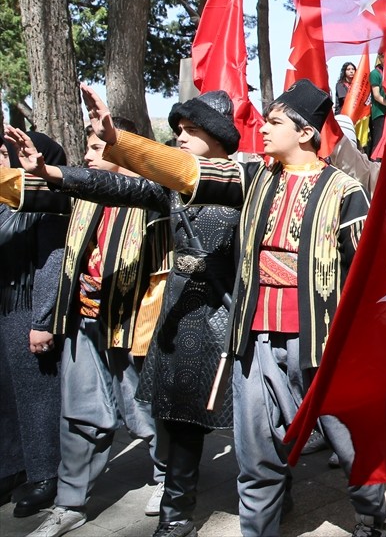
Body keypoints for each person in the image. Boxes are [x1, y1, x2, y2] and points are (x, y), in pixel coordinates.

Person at [83, 80, 386, 537]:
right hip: (254, 344)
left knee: (351, 447)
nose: (263, 130)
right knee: (256, 457)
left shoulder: (346, 191)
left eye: (274, 122)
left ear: (306, 132)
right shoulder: (252, 179)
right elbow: (188, 171)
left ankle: (374, 519)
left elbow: (367, 275)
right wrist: (118, 141)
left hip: (321, 346)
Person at [10, 91, 243, 537]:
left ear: (215, 136)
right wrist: (49, 172)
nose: (179, 139)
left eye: (189, 132)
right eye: (175, 132)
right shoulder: (167, 190)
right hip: (186, 319)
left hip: (232, 316)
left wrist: (118, 139)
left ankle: (278, 489)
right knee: (180, 421)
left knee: (258, 426)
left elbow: (179, 176)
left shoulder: (245, 177)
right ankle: (176, 517)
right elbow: (116, 185)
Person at [0, 118, 170, 537]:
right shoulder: (79, 199)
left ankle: (167, 481)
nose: (88, 157)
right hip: (84, 321)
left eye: (97, 149)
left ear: (124, 150)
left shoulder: (156, 196)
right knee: (79, 416)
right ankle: (70, 504)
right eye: (89, 148)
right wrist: (28, 170)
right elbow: (28, 196)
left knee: (144, 411)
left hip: (132, 324)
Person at [0, 129, 67, 519]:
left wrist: (43, 320)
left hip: (27, 309)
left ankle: (47, 474)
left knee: (36, 397)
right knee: (7, 398)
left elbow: (51, 262)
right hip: (4, 305)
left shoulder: (43, 202)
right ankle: (11, 468)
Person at [367, 56, 386, 158]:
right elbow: (377, 96)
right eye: (385, 56)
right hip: (380, 113)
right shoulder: (375, 73)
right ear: (381, 57)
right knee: (379, 142)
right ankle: (375, 166)